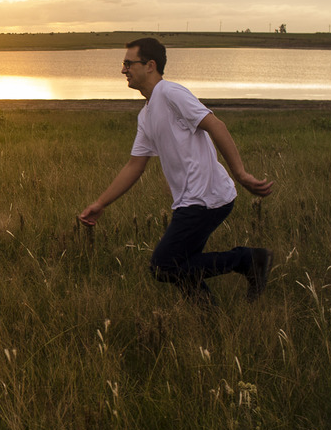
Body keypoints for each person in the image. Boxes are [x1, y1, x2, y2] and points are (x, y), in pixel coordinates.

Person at [78, 38, 274, 305]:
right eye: (123, 64)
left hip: (205, 197)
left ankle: (250, 260)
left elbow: (216, 126)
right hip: (191, 200)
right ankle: (208, 314)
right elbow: (135, 164)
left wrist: (241, 174)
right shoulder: (146, 114)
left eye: (128, 63)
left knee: (163, 266)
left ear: (150, 65)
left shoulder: (171, 93)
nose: (123, 70)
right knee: (183, 264)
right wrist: (101, 203)